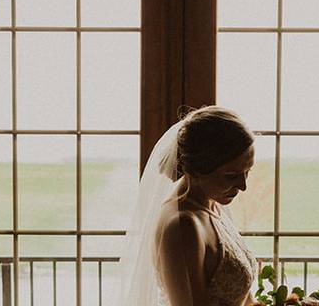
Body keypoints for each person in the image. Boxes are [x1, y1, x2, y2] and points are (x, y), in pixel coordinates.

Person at [109, 106, 258, 306]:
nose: (243, 186)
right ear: (199, 168)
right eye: (231, 175)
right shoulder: (183, 225)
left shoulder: (214, 207)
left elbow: (244, 299)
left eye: (247, 171)